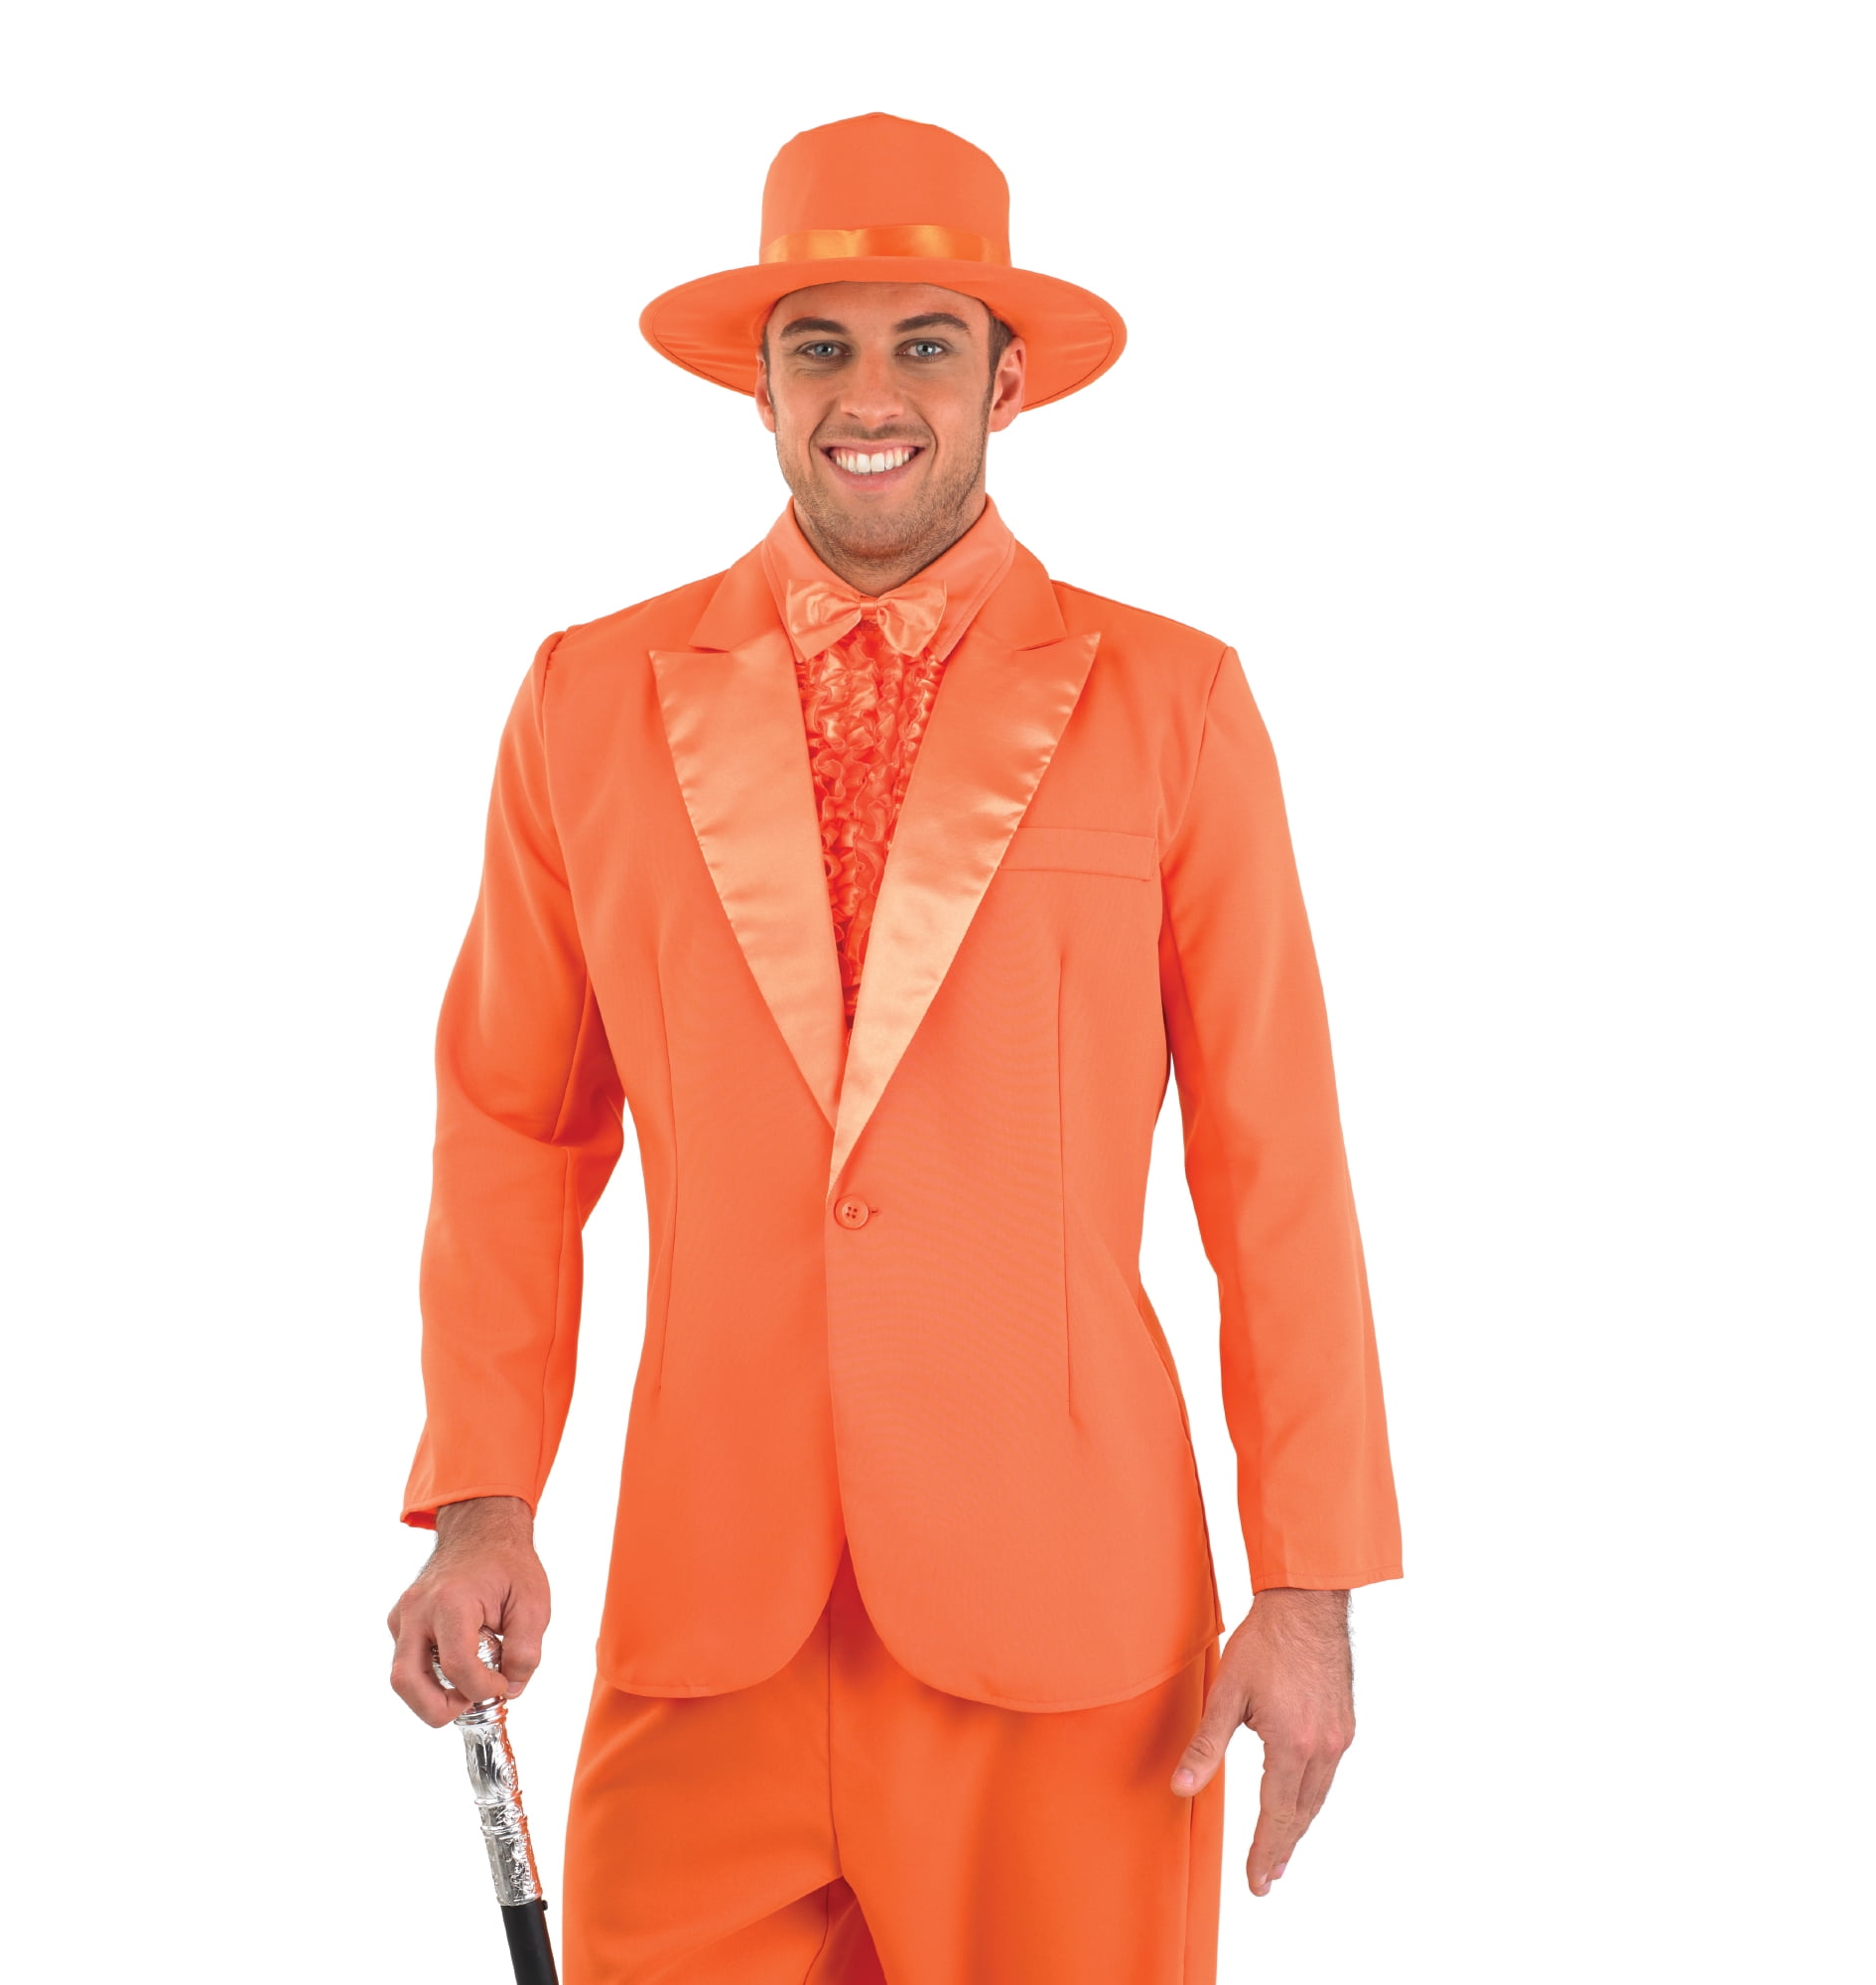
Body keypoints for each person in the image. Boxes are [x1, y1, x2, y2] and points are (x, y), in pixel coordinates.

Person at [386, 111, 1401, 1984]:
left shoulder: (1172, 701)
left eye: (924, 343)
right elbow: (512, 1129)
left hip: (1072, 1636)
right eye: (820, 347)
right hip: (707, 1625)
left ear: (1006, 380)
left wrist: (1311, 1587)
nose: (870, 396)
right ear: (759, 382)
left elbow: (1276, 1162)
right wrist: (481, 1501)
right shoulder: (587, 700)